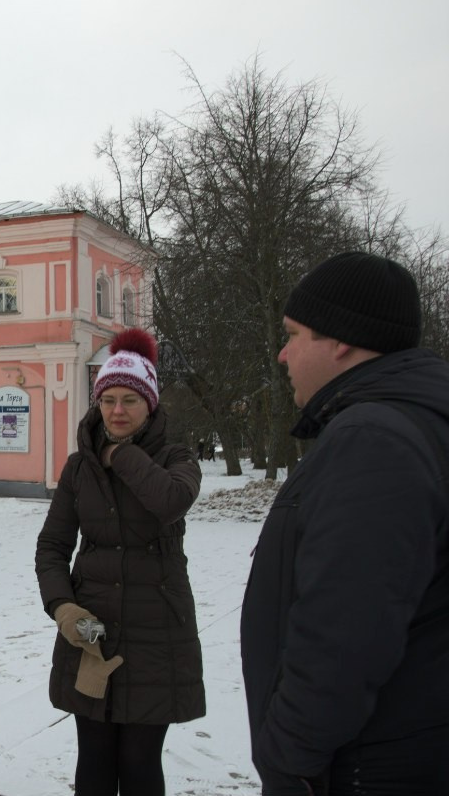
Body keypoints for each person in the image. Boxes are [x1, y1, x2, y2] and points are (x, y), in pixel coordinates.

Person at [241, 252, 449, 795]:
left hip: (363, 769)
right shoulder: (413, 421)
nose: (283, 354)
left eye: (293, 334)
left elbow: (343, 634)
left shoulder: (375, 439)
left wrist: (289, 761)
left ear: (340, 339)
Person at [35, 327, 204, 796]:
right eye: (108, 400)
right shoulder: (78, 468)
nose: (117, 411)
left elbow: (169, 501)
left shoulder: (178, 458)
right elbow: (51, 546)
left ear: (151, 403)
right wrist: (62, 607)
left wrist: (118, 455)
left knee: (140, 761)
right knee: (94, 754)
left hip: (158, 635)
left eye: (130, 399)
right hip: (92, 632)